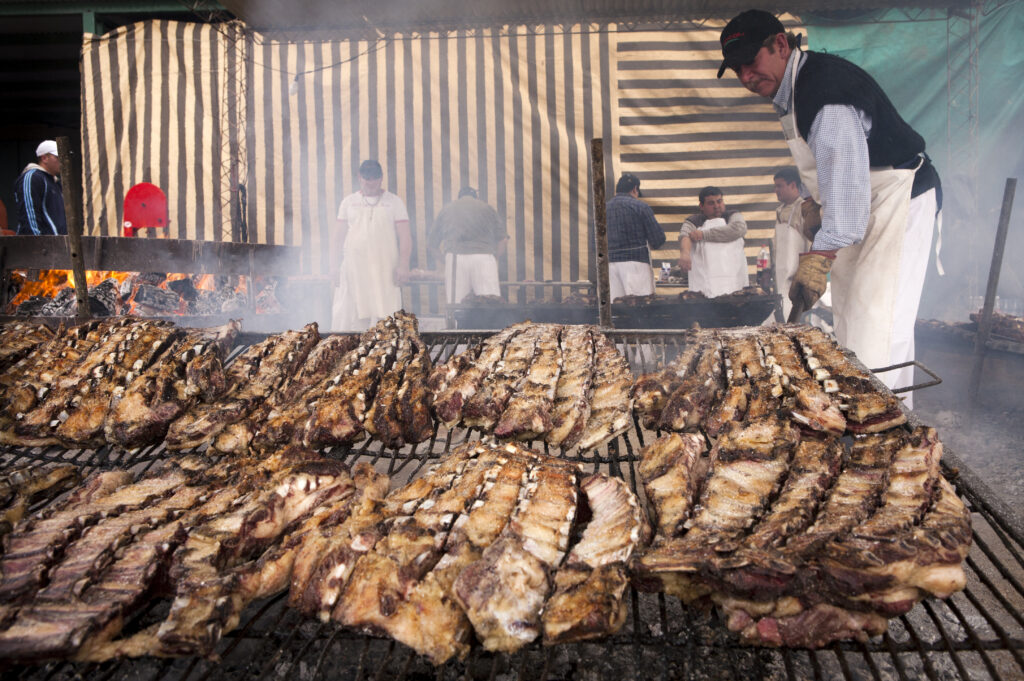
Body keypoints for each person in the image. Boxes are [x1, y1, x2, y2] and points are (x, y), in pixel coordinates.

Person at [717, 10, 942, 402]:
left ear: (781, 45)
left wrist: (817, 259)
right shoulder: (792, 89)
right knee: (852, 318)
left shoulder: (824, 95)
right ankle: (881, 415)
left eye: (751, 61)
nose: (746, 76)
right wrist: (814, 204)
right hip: (863, 202)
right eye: (737, 69)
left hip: (896, 199)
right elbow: (835, 168)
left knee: (878, 325)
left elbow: (848, 214)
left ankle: (884, 425)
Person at [331, 159, 412, 330]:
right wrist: (333, 266)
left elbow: (405, 236)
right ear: (359, 177)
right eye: (367, 178)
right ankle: (356, 345)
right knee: (355, 314)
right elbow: (337, 238)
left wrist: (404, 265)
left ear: (381, 178)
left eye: (374, 178)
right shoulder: (349, 202)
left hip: (385, 268)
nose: (371, 182)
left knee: (387, 315)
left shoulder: (394, 202)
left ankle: (386, 345)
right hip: (355, 267)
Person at [427, 186, 507, 304]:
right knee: (490, 303)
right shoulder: (487, 208)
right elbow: (503, 240)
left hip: (455, 258)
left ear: (459, 197)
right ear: (475, 197)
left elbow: (431, 245)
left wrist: (446, 261)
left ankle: (457, 317)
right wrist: (494, 258)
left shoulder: (447, 209)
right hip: (484, 258)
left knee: (457, 305)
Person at [678, 186, 748, 297]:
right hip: (704, 287)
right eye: (711, 203)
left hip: (734, 282)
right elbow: (685, 236)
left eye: (719, 201)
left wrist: (703, 235)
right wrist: (685, 253)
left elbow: (738, 229)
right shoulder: (693, 221)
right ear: (701, 206)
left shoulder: (733, 215)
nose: (716, 206)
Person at [605, 172, 666, 301]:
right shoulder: (641, 207)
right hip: (636, 265)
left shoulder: (603, 209)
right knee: (640, 305)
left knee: (614, 308)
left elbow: (594, 244)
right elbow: (658, 239)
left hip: (608, 266)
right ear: (634, 189)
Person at [772, 166, 809, 320]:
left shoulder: (805, 208)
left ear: (793, 185)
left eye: (779, 186)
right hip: (781, 272)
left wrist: (805, 272)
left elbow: (809, 242)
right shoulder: (780, 211)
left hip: (799, 273)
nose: (776, 190)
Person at [13, 140, 66, 236]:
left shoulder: (56, 182)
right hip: (40, 244)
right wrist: (37, 241)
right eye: (58, 157)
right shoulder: (32, 177)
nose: (62, 161)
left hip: (59, 243)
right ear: (44, 158)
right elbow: (29, 215)